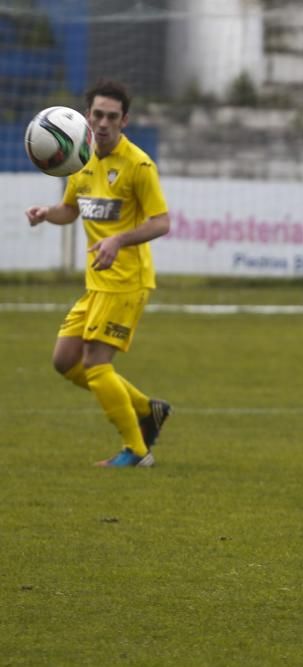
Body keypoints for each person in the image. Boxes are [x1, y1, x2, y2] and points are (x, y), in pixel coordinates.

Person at [25, 79, 172, 468]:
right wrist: (46, 213)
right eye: (97, 115)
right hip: (96, 282)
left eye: (112, 116)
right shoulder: (80, 159)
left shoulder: (139, 165)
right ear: (87, 117)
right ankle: (145, 407)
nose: (104, 123)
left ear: (124, 120)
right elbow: (70, 211)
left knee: (94, 363)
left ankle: (137, 452)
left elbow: (162, 223)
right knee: (64, 360)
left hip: (126, 281)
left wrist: (118, 241)